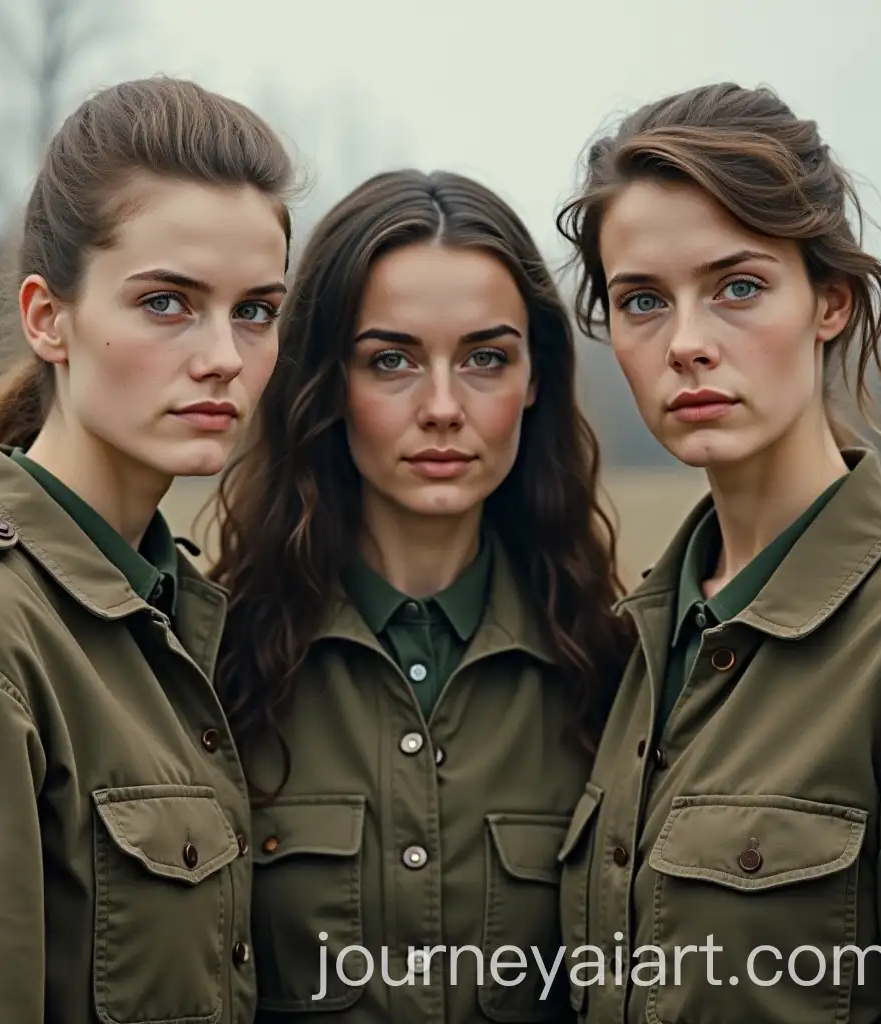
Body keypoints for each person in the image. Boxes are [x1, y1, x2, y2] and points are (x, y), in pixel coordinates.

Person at [552, 80, 881, 1023]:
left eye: (738, 287)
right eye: (642, 300)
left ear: (832, 303)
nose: (686, 343)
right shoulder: (639, 637)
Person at [208, 168, 634, 1022]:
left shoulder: (618, 679)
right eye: (391, 360)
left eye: (485, 359)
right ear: (327, 381)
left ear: (536, 378)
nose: (443, 408)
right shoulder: (211, 669)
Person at [0, 76, 295, 1023]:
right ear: (50, 318)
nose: (223, 355)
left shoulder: (176, 612)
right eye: (168, 303)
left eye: (255, 310)